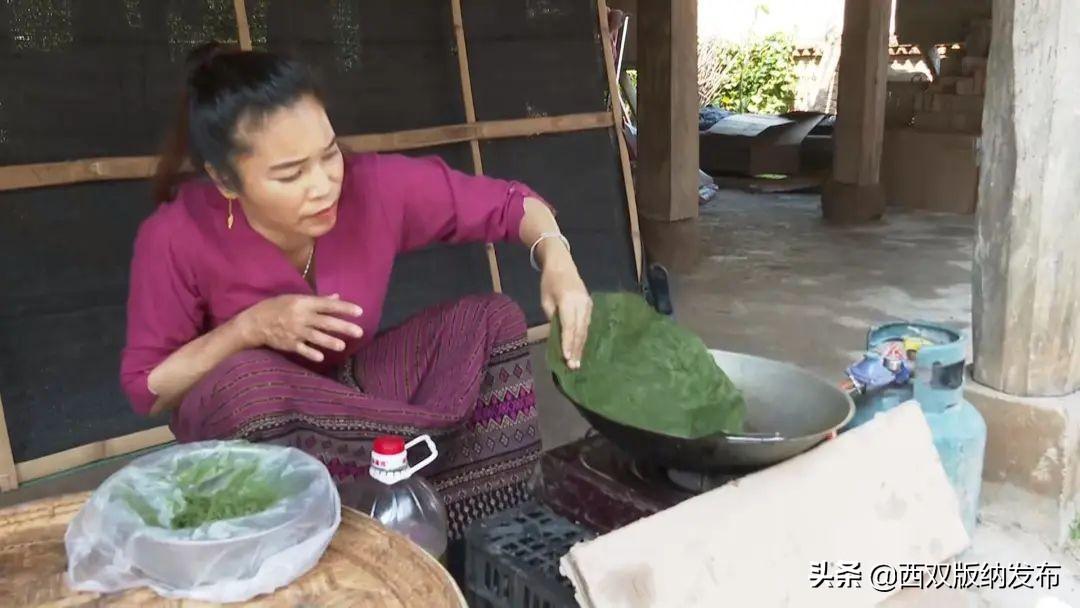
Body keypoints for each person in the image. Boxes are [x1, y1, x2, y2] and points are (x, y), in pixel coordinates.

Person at [120, 43, 592, 538]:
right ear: (225, 180)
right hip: (251, 423)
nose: (323, 184)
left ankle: (470, 527)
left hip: (348, 395)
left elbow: (510, 205)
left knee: (492, 321)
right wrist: (248, 328)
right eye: (291, 174)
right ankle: (334, 530)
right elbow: (149, 388)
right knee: (250, 384)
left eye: (329, 155)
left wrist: (557, 256)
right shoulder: (177, 235)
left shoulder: (373, 188)